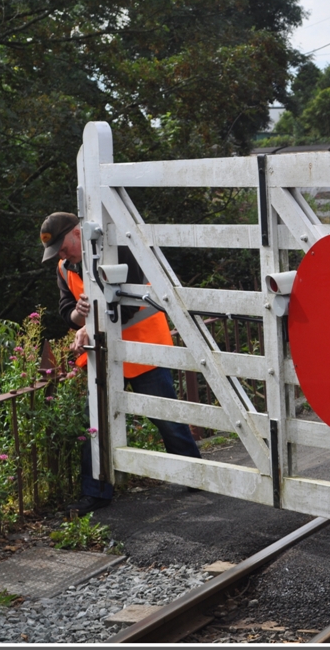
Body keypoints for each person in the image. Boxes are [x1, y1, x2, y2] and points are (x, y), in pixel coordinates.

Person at [40, 212, 202, 516]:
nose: (62, 255)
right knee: (95, 424)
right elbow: (66, 312)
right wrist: (79, 315)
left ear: (78, 233)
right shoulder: (65, 268)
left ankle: (194, 473)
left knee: (164, 415)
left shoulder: (120, 248)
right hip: (103, 352)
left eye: (64, 247)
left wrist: (91, 324)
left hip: (144, 347)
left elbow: (130, 301)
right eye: (58, 252)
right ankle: (96, 493)